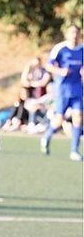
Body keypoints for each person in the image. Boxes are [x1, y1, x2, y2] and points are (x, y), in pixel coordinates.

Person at [40, 24, 83, 161]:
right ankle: (46, 136)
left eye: (76, 32)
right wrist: (60, 71)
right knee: (59, 119)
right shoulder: (60, 48)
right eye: (72, 32)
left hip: (77, 89)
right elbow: (48, 65)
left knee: (78, 118)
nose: (74, 35)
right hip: (62, 89)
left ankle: (74, 151)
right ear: (67, 34)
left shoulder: (82, 49)